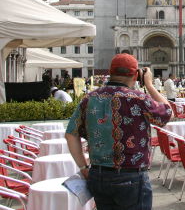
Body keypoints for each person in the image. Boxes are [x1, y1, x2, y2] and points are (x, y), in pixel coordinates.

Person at [65, 53, 171, 210]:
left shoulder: (89, 98)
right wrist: (149, 85)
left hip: (99, 175)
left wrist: (83, 168)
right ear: (136, 75)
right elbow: (168, 113)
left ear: (111, 72)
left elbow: (71, 134)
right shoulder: (139, 99)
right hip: (132, 177)